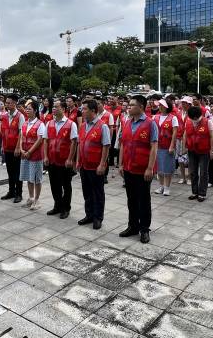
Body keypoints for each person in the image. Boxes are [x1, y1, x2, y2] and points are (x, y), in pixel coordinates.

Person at [119, 95, 158, 244]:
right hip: (128, 168)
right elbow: (123, 144)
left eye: (132, 105)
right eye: (128, 105)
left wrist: (150, 168)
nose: (128, 107)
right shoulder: (127, 122)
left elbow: (154, 147)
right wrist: (121, 164)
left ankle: (144, 229)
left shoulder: (150, 124)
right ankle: (133, 226)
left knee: (144, 200)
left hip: (142, 170)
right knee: (131, 199)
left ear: (141, 107)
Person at [76, 99, 111, 230]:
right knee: (87, 192)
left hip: (96, 166)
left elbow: (106, 146)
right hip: (84, 165)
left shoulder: (103, 126)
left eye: (85, 109)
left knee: (97, 193)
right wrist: (78, 161)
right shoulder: (83, 126)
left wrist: (102, 164)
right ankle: (89, 215)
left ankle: (98, 217)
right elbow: (80, 144)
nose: (82, 111)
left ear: (93, 111)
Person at [44, 98, 78, 219]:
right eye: (53, 107)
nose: (53, 108)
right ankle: (57, 206)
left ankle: (66, 208)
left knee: (66, 185)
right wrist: (45, 156)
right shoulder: (49, 123)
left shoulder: (71, 124)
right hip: (52, 159)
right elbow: (46, 141)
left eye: (56, 107)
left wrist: (70, 159)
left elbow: (74, 142)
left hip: (64, 161)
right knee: (54, 185)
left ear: (63, 109)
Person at [182, 105, 213, 201]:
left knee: (203, 172)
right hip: (192, 150)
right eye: (192, 118)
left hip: (204, 151)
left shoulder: (208, 122)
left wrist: (212, 150)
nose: (194, 120)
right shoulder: (188, 121)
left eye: (196, 118)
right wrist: (184, 147)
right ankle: (194, 192)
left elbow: (212, 137)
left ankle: (202, 193)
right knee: (193, 172)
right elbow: (185, 135)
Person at [18, 99, 46, 210]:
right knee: (29, 177)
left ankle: (37, 200)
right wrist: (21, 149)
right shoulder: (25, 123)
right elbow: (21, 137)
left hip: (35, 156)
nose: (27, 111)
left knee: (36, 178)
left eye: (29, 109)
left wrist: (29, 152)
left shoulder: (40, 124)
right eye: (26, 109)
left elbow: (40, 140)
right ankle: (30, 197)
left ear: (35, 110)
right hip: (25, 155)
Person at [0, 94, 24, 202]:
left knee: (17, 172)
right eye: (6, 103)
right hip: (7, 148)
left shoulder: (20, 116)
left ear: (14, 103)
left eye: (9, 103)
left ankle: (19, 194)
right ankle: (11, 191)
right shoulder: (5, 116)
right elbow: (3, 132)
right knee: (10, 171)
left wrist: (18, 147)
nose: (7, 104)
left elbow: (21, 133)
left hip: (15, 149)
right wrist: (2, 146)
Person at [153, 99, 178, 196]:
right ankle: (161, 186)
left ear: (167, 107)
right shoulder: (155, 117)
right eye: (159, 105)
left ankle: (167, 187)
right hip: (157, 146)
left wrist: (171, 146)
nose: (159, 107)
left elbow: (175, 133)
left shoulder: (173, 118)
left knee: (167, 167)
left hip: (167, 147)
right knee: (159, 167)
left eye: (161, 105)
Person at [176, 97, 191, 184]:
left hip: (189, 138)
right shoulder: (178, 113)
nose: (184, 104)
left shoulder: (192, 113)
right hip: (179, 138)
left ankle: (189, 177)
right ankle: (182, 177)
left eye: (185, 103)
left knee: (189, 158)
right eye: (183, 102)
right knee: (180, 158)